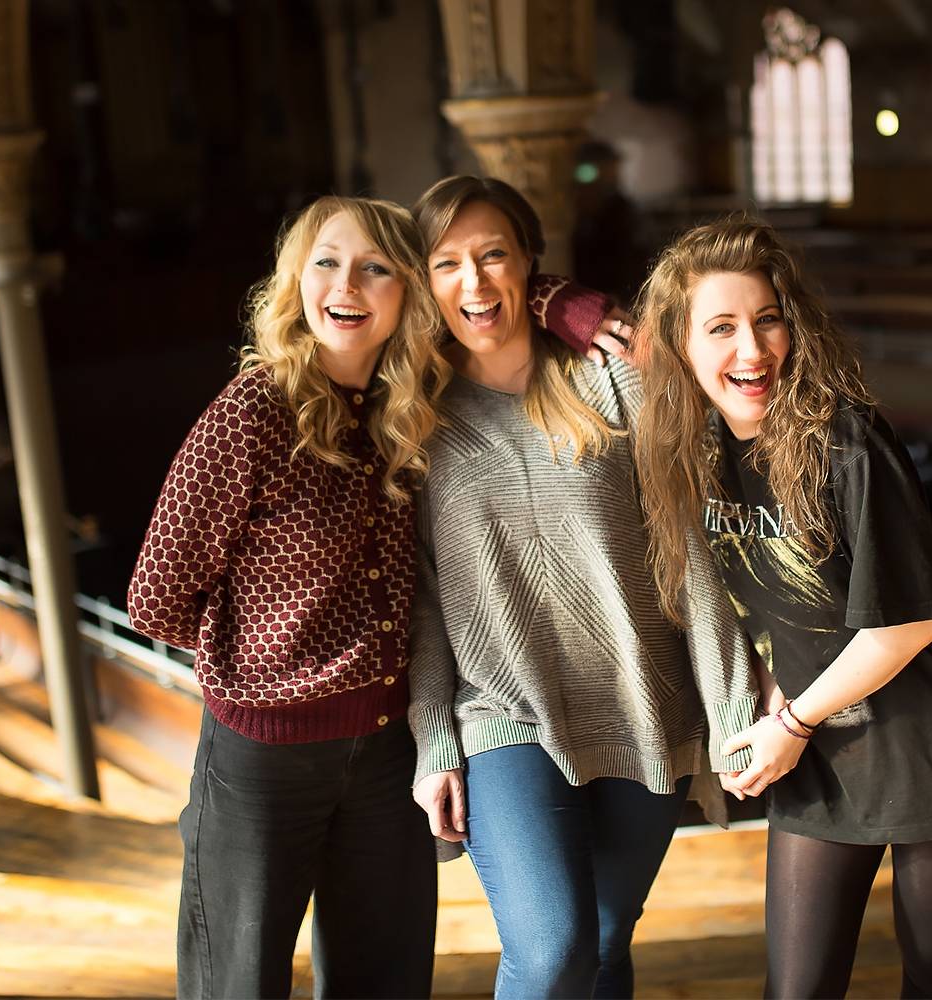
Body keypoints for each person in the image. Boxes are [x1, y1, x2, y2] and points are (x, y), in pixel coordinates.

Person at [630, 217, 932, 999]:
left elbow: (912, 621)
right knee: (796, 988)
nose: (752, 350)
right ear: (680, 347)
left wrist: (790, 724)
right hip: (825, 740)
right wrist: (767, 695)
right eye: (720, 328)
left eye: (767, 320)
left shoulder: (844, 442)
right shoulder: (697, 450)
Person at [406, 176, 760, 1000]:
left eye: (494, 254)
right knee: (554, 946)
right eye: (447, 262)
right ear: (425, 280)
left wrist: (733, 704)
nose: (474, 281)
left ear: (530, 263)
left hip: (643, 704)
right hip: (505, 713)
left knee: (603, 941)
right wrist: (433, 741)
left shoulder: (609, 377)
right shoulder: (413, 414)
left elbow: (688, 549)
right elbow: (419, 596)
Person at [126, 195, 449, 1000]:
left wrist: (564, 301)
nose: (349, 284)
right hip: (262, 760)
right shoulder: (250, 414)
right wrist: (262, 657)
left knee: (386, 982)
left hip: (387, 754)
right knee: (240, 985)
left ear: (406, 291)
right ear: (296, 281)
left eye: (377, 267)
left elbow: (500, 288)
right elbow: (155, 595)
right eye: (328, 262)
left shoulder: (405, 410)